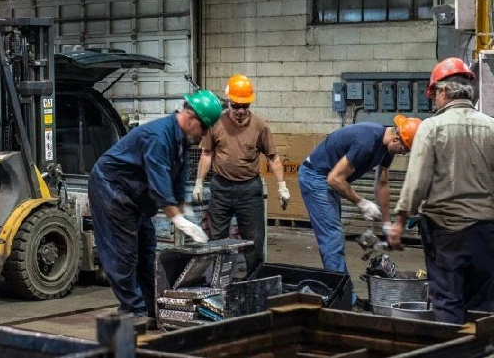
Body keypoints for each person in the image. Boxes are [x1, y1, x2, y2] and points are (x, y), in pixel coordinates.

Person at [87, 89, 222, 325]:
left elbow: (177, 178)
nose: (205, 135)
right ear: (191, 118)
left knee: (146, 251)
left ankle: (151, 307)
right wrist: (178, 221)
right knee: (124, 254)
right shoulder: (159, 137)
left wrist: (184, 209)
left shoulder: (181, 139)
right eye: (204, 128)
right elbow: (160, 185)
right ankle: (133, 310)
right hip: (112, 189)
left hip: (135, 194)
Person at [388, 58, 494, 324]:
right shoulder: (491, 126)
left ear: (443, 92)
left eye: (434, 94)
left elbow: (416, 180)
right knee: (483, 305)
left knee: (447, 301)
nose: (434, 100)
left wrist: (400, 221)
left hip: (447, 232)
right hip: (487, 232)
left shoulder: (431, 128)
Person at [297, 114, 421, 305]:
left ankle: (345, 293)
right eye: (404, 148)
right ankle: (342, 300)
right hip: (316, 176)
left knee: (333, 238)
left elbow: (382, 183)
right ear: (397, 138)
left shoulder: (387, 147)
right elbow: (334, 179)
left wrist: (387, 223)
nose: (404, 153)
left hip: (328, 178)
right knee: (333, 238)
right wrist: (362, 203)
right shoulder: (366, 142)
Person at [192, 74, 290, 278]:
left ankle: (254, 281)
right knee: (218, 239)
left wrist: (282, 186)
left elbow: (273, 157)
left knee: (254, 240)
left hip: (249, 190)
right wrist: (199, 183)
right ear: (228, 102)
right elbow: (207, 154)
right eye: (235, 106)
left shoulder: (260, 126)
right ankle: (218, 281)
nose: (240, 111)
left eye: (244, 106)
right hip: (221, 188)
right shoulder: (215, 123)